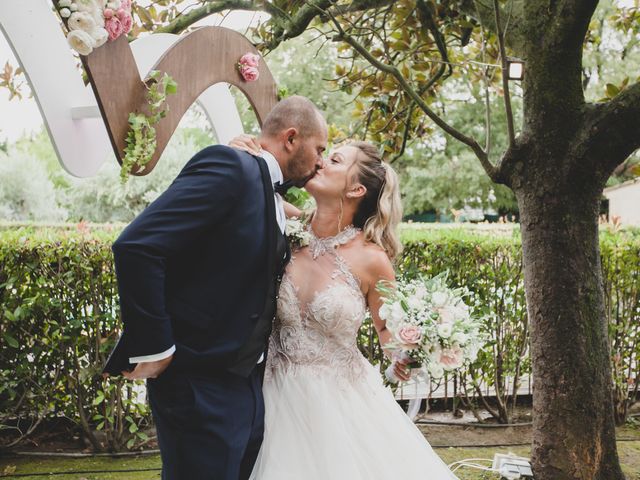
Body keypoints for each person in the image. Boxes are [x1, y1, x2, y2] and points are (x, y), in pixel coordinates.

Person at [103, 95, 327, 480]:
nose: (321, 160)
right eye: (319, 148)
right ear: (291, 138)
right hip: (198, 383)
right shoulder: (231, 167)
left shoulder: (268, 191)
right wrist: (158, 348)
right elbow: (137, 247)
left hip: (247, 387)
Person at [229, 135, 458, 479]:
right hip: (271, 393)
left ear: (356, 191)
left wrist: (406, 355)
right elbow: (245, 188)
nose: (319, 161)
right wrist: (242, 150)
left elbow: (387, 331)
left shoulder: (372, 259)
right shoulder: (286, 226)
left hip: (341, 404)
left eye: (334, 160)